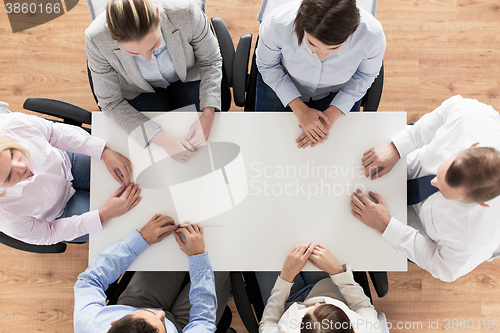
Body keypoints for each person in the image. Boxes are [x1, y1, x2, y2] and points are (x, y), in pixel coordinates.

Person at [350, 95, 500, 282]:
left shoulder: (473, 239)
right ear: (471, 146)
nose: (434, 182)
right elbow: (443, 113)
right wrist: (397, 147)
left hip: (418, 226)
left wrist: (387, 226)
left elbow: (440, 266)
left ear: (481, 204)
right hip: (412, 163)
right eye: (440, 172)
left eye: (445, 192)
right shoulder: (470, 118)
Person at [85, 0, 222, 163]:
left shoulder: (187, 12)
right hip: (138, 89)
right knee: (159, 156)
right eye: (133, 52)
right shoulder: (96, 38)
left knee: (211, 144)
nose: (148, 58)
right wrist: (161, 139)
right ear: (110, 31)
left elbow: (210, 61)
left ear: (157, 13)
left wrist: (208, 114)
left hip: (187, 76)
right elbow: (110, 103)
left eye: (154, 46)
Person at [0, 105, 141, 245]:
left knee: (134, 169)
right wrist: (103, 215)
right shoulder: (4, 213)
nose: (23, 167)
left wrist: (103, 151)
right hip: (60, 212)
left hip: (66, 162)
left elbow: (53, 133)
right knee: (128, 225)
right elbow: (48, 234)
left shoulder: (10, 125)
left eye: (12, 154)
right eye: (8, 176)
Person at [255, 0, 385, 149]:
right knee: (268, 144)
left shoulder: (372, 36)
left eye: (334, 48)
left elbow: (365, 75)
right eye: (312, 44)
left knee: (335, 152)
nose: (321, 56)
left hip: (338, 91)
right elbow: (267, 65)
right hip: (283, 80)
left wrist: (334, 112)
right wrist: (300, 109)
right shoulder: (277, 23)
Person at [74, 216, 231, 333]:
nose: (160, 312)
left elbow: (89, 280)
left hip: (137, 303)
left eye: (150, 313)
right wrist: (198, 258)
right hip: (183, 327)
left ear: (114, 322)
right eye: (161, 322)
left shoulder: (89, 323)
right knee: (221, 259)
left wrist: (139, 240)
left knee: (170, 239)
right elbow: (203, 320)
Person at [258, 243, 382, 333]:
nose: (316, 304)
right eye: (326, 306)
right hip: (330, 286)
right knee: (314, 240)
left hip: (287, 302)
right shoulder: (368, 329)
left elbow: (268, 323)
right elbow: (362, 306)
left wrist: (286, 277)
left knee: (262, 248)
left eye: (306, 315)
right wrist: (336, 271)